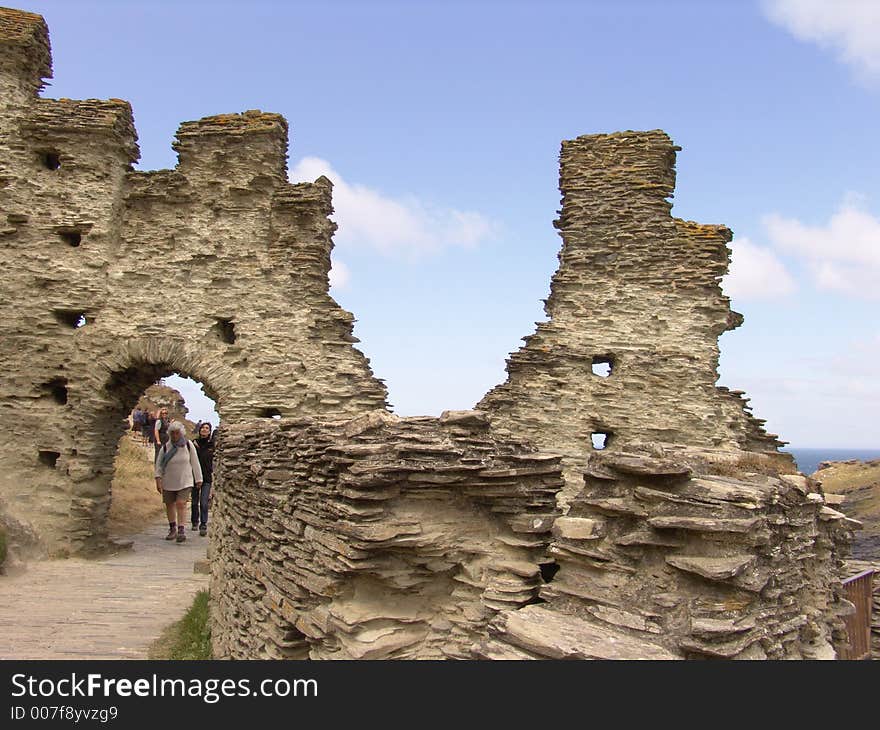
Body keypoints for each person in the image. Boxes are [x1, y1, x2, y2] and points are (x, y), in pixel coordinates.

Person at [154, 421, 202, 543]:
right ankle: (172, 528)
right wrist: (158, 479)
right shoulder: (166, 447)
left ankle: (181, 530)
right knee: (169, 504)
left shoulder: (188, 445)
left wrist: (198, 478)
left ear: (181, 433)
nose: (175, 436)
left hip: (185, 480)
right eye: (173, 433)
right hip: (169, 480)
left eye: (177, 433)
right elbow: (159, 465)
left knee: (181, 503)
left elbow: (195, 462)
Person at [191, 422, 215, 536]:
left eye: (207, 428)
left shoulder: (212, 445)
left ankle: (203, 524)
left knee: (204, 502)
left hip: (206, 477)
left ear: (210, 431)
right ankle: (194, 521)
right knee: (194, 501)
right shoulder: (193, 443)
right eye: (203, 428)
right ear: (199, 430)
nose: (204, 430)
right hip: (194, 476)